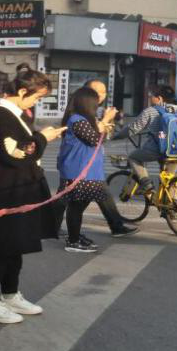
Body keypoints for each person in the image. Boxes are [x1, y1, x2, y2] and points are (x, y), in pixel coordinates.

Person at [0, 69, 65, 325]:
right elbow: (16, 152)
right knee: (0, 248)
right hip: (4, 193)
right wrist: (43, 137)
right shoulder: (2, 115)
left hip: (17, 190)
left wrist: (40, 138)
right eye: (36, 97)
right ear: (23, 92)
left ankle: (10, 293)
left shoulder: (13, 114)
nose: (36, 103)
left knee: (16, 245)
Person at [58, 87, 139, 253]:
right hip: (79, 172)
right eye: (96, 102)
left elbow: (99, 138)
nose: (98, 105)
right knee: (76, 206)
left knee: (78, 206)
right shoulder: (77, 120)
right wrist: (106, 119)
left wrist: (105, 124)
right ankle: (73, 241)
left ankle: (74, 236)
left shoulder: (84, 120)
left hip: (88, 171)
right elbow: (94, 139)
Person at [116, 86, 177, 193]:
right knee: (169, 180)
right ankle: (173, 200)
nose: (150, 98)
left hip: (158, 149)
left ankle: (147, 184)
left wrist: (117, 136)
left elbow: (133, 128)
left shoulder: (151, 111)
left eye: (151, 96)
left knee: (133, 157)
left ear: (159, 98)